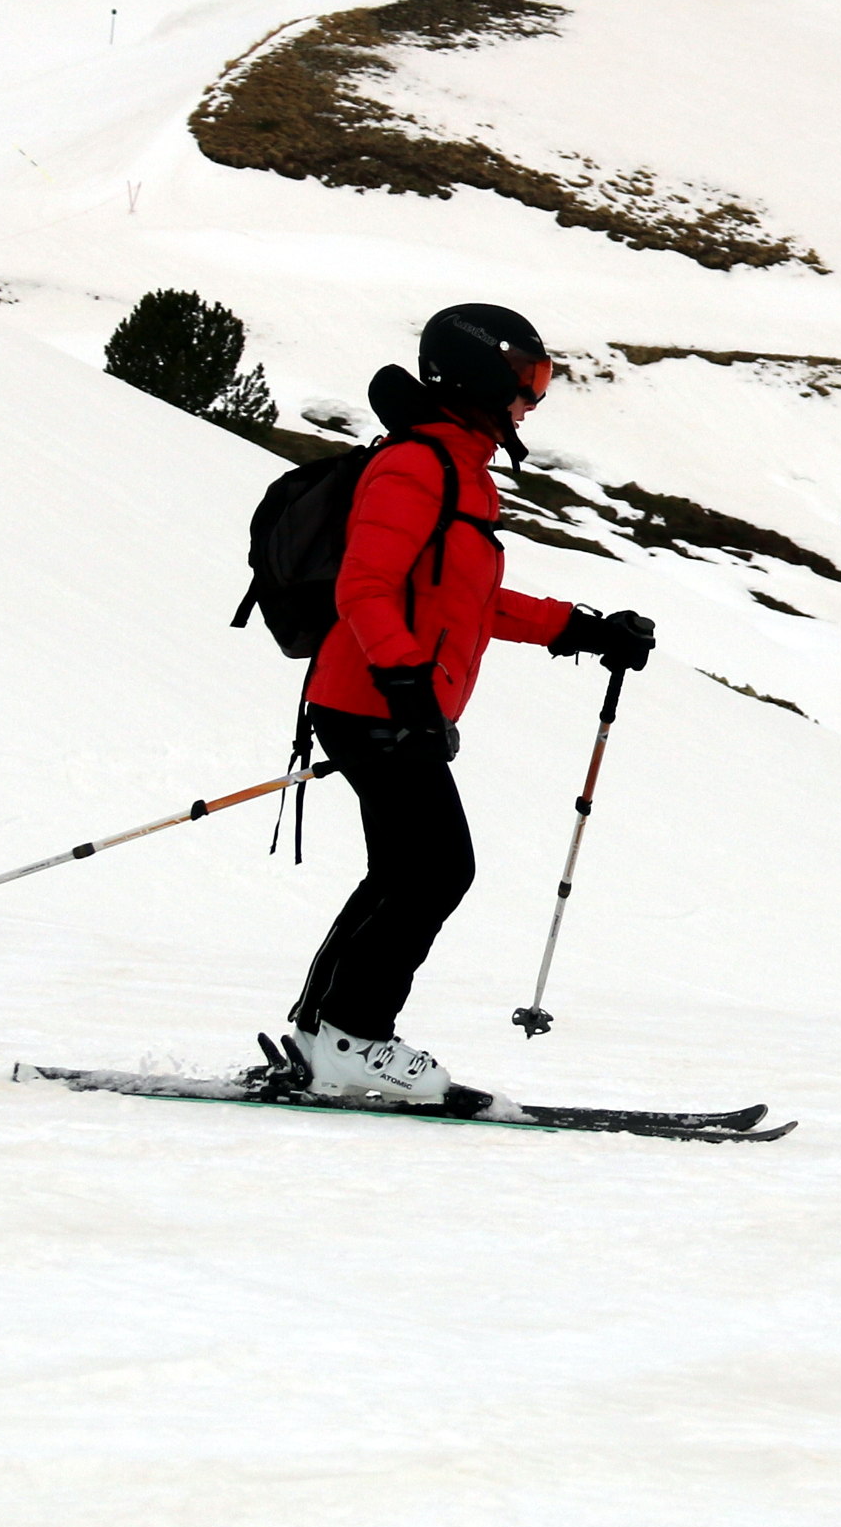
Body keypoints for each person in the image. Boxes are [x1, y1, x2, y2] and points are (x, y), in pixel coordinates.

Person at [272, 304, 652, 1108]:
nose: (532, 400)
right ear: (479, 374)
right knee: (438, 868)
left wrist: (581, 629)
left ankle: (325, 1031)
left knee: (408, 870)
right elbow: (365, 587)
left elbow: (468, 600)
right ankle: (353, 1036)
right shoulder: (416, 467)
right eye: (528, 379)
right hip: (374, 699)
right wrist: (407, 682)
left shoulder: (460, 472)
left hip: (384, 699)